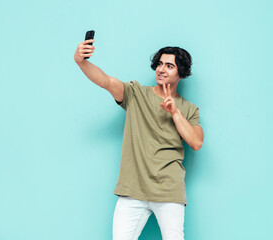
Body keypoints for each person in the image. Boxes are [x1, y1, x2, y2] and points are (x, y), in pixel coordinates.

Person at [74, 38, 204, 240]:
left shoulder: (188, 108)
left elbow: (196, 142)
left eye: (169, 66)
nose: (162, 69)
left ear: (181, 72)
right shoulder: (135, 94)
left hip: (168, 190)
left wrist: (175, 112)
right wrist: (82, 62)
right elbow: (105, 81)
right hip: (132, 189)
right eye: (159, 64)